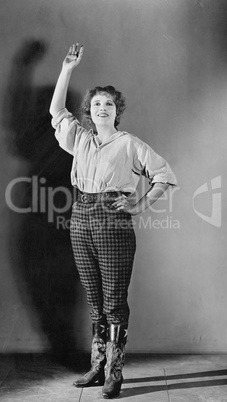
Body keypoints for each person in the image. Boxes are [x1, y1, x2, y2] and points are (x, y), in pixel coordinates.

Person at [49, 43, 177, 399]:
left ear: (116, 110)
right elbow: (56, 109)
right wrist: (67, 69)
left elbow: (163, 175)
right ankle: (96, 364)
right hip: (79, 218)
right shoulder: (81, 140)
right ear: (88, 111)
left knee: (114, 300)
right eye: (95, 104)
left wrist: (138, 204)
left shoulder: (129, 144)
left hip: (112, 222)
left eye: (108, 103)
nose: (101, 108)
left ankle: (114, 372)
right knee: (93, 298)